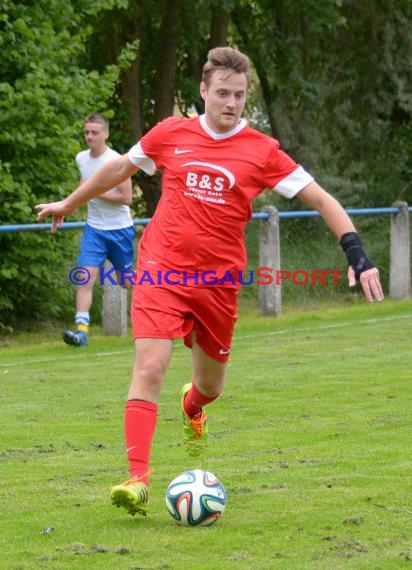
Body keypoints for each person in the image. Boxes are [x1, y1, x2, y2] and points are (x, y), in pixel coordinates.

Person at [36, 47, 384, 517]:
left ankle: (193, 406)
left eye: (239, 95)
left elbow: (322, 200)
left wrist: (358, 256)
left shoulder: (262, 151)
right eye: (222, 93)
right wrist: (69, 204)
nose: (231, 103)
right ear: (203, 91)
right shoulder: (170, 133)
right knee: (150, 367)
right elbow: (118, 169)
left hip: (217, 283)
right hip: (161, 268)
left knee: (210, 385)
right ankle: (137, 478)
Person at [63, 113, 134, 347]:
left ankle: (159, 314)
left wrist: (93, 191)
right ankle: (81, 332)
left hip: (120, 229)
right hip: (94, 229)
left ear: (106, 133)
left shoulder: (117, 161)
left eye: (95, 132)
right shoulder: (81, 158)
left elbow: (126, 198)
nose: (90, 137)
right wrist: (67, 206)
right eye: (86, 132)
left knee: (125, 282)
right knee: (85, 277)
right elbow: (81, 187)